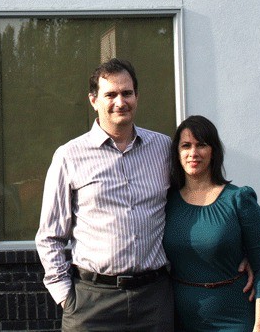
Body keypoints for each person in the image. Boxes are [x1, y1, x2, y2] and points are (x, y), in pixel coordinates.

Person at [35, 58, 174, 331]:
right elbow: (49, 236)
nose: (120, 102)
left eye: (127, 93)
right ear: (93, 100)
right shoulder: (69, 156)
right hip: (92, 302)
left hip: (154, 300)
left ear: (137, 96)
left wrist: (230, 248)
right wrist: (66, 297)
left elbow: (193, 201)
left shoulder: (163, 149)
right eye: (110, 94)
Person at [163, 115, 260, 332]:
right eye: (186, 146)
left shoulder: (239, 199)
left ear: (213, 151)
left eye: (201, 145)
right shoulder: (166, 201)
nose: (193, 153)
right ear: (177, 152)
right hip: (180, 320)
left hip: (234, 318)